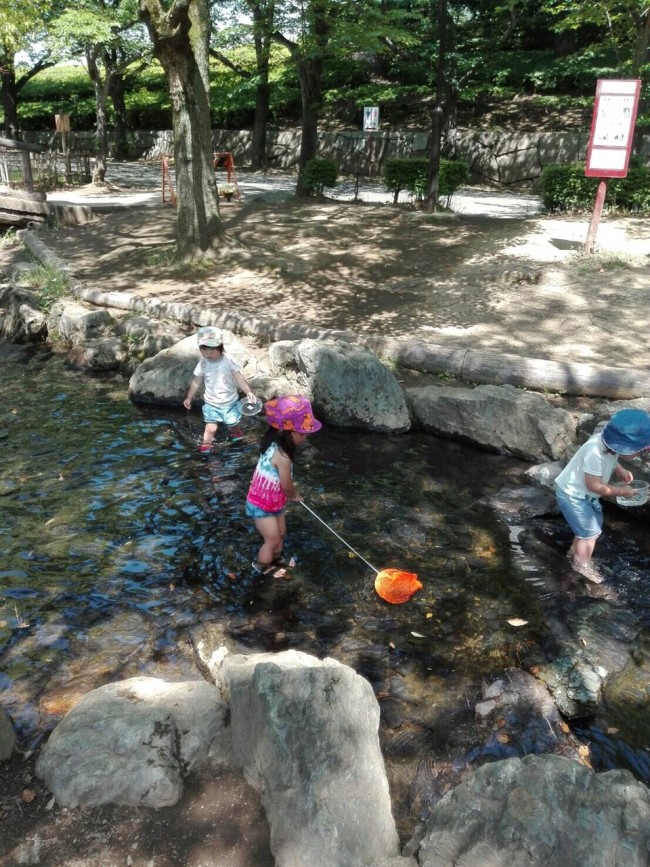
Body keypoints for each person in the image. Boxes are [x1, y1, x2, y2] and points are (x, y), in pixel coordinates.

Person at [555, 408, 650, 580]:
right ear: (625, 447)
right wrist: (621, 491)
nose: (641, 453)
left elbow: (611, 459)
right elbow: (594, 486)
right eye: (640, 450)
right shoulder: (594, 454)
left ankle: (573, 553)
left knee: (589, 529)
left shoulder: (606, 443)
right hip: (573, 496)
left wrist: (620, 469)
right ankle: (581, 566)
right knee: (590, 533)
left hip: (583, 496)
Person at [245, 395, 322, 574]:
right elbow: (286, 486)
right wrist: (295, 496)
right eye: (302, 433)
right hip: (260, 504)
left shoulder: (273, 442)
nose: (305, 437)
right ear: (287, 432)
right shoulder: (283, 456)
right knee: (271, 539)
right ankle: (262, 568)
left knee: (281, 532)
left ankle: (278, 561)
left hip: (274, 501)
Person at [183, 326, 256, 453]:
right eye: (204, 349)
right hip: (211, 403)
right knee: (210, 427)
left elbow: (239, 377)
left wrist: (248, 392)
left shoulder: (228, 360)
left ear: (221, 347)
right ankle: (207, 444)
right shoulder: (203, 363)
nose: (208, 353)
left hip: (230, 402)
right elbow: (196, 381)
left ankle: (236, 433)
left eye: (212, 348)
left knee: (233, 424)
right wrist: (189, 397)